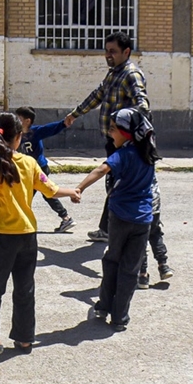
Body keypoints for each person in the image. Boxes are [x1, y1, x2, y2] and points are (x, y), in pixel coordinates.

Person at [0, 112, 80, 356]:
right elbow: (51, 190)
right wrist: (72, 191)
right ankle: (24, 339)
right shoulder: (29, 163)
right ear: (19, 137)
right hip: (28, 235)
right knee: (25, 288)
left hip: (4, 236)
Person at [75, 108, 160, 331]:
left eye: (113, 129)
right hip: (143, 220)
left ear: (126, 132)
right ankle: (120, 317)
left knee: (112, 260)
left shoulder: (124, 154)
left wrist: (79, 188)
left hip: (120, 217)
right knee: (130, 268)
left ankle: (104, 306)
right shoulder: (147, 153)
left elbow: (101, 169)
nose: (110, 133)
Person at [64, 32, 150, 242]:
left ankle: (125, 232)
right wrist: (75, 114)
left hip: (124, 144)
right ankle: (109, 229)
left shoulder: (131, 74)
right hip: (113, 142)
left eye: (113, 51)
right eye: (106, 51)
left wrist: (127, 128)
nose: (107, 55)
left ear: (126, 52)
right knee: (115, 184)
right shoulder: (113, 74)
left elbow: (143, 105)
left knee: (117, 184)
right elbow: (97, 95)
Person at [15, 106, 75, 233]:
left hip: (40, 169)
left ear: (27, 121)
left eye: (18, 118)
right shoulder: (17, 133)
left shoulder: (34, 132)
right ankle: (65, 218)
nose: (15, 120)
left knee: (40, 193)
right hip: (28, 170)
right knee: (41, 194)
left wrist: (63, 123)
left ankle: (65, 218)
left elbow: (50, 128)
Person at [137, 176, 174, 289]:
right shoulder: (150, 164)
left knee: (139, 238)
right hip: (153, 201)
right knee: (155, 233)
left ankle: (143, 274)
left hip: (138, 205)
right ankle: (163, 265)